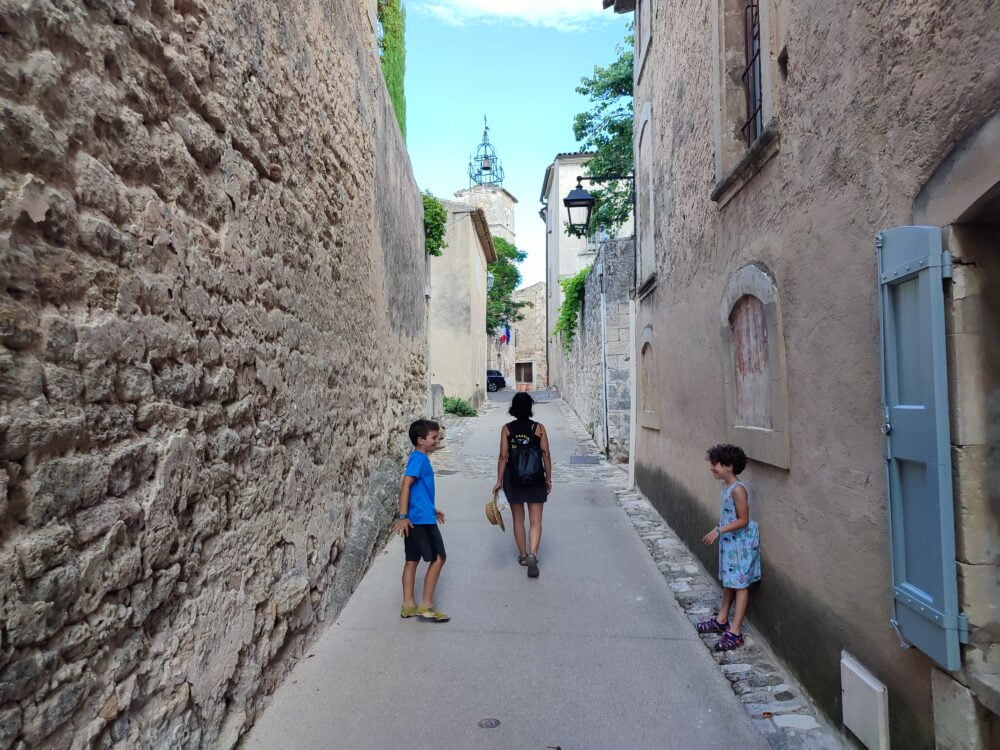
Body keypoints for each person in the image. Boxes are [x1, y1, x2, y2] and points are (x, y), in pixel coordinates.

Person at [698, 443, 760, 650]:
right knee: (730, 581)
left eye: (715, 464)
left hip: (740, 543)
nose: (712, 468)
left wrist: (719, 531)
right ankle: (722, 620)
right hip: (730, 542)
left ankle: (735, 632)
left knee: (740, 585)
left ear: (729, 466)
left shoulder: (738, 490)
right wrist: (719, 529)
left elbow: (743, 520)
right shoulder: (725, 486)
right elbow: (728, 515)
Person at [392, 419, 450, 622]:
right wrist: (402, 516)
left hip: (419, 515)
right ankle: (426, 605)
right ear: (420, 440)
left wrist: (432, 509)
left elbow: (418, 491)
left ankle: (408, 605)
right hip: (420, 520)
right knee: (438, 558)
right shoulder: (419, 459)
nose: (437, 440)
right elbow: (406, 485)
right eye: (433, 437)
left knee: (411, 560)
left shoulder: (418, 458)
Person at [491, 392, 552, 578]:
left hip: (514, 479)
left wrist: (499, 480)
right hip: (535, 479)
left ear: (513, 408)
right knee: (536, 521)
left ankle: (523, 556)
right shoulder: (538, 428)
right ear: (530, 407)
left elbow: (503, 456)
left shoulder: (507, 429)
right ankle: (533, 553)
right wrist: (548, 478)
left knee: (518, 519)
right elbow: (546, 454)